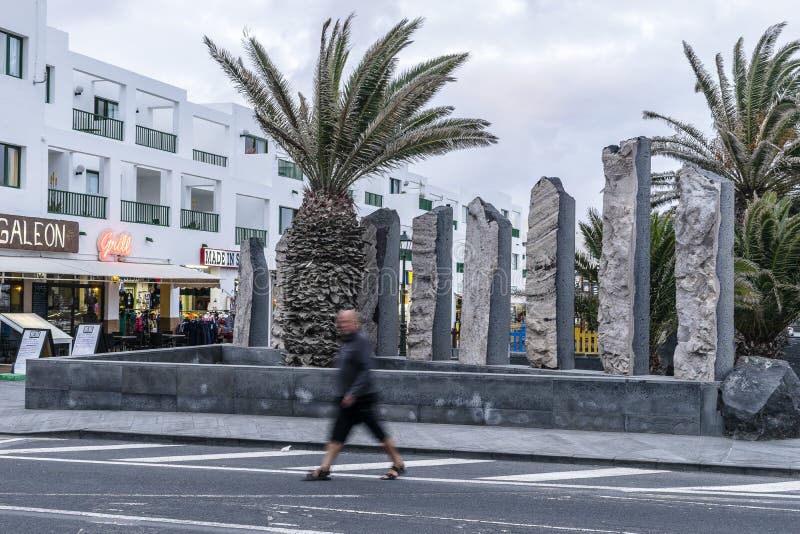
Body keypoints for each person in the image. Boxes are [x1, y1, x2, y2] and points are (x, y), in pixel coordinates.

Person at [304, 309, 405, 481]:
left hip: (361, 398)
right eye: (340, 321)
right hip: (347, 400)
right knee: (337, 435)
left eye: (345, 321)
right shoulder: (348, 341)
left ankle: (398, 463)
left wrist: (352, 393)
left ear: (356, 322)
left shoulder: (361, 340)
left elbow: (365, 370)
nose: (342, 325)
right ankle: (325, 469)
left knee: (379, 433)